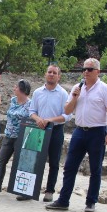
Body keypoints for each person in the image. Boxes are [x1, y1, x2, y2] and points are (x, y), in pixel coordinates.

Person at [46, 58, 107, 212]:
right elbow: (67, 110)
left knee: (95, 168)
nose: (86, 72)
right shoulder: (77, 88)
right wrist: (75, 97)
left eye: (89, 69)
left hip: (97, 131)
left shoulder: (105, 89)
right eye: (83, 69)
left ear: (98, 71)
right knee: (70, 167)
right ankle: (63, 200)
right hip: (79, 131)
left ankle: (91, 201)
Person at [28, 65, 71, 202]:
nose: (51, 74)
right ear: (45, 74)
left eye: (54, 73)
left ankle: (49, 191)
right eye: (49, 72)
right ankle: (29, 189)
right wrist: (38, 119)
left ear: (59, 76)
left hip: (55, 130)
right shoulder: (37, 92)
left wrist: (50, 120)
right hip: (38, 129)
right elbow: (31, 111)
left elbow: (67, 116)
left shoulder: (63, 94)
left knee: (54, 161)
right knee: (34, 160)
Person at [0, 79, 31, 193]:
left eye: (16, 87)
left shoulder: (30, 104)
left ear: (21, 90)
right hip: (9, 135)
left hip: (21, 137)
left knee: (18, 163)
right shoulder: (13, 100)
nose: (14, 88)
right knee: (1, 160)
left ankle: (18, 188)